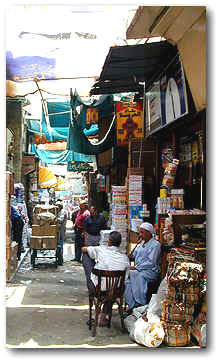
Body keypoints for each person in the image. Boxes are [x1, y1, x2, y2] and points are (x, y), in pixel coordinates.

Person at [82, 231, 130, 327]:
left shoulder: (101, 250)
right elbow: (125, 278)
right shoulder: (125, 258)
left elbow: (83, 249)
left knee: (86, 256)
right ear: (120, 244)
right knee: (112, 286)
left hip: (98, 289)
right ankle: (102, 318)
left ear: (109, 242)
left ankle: (98, 314)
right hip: (116, 290)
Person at [125, 222, 161, 313]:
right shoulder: (141, 243)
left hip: (150, 271)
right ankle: (132, 305)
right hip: (139, 269)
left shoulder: (155, 245)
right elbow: (133, 255)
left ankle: (141, 302)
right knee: (128, 282)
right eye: (139, 232)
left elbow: (151, 262)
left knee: (137, 275)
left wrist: (136, 267)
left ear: (149, 233)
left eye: (142, 233)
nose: (140, 235)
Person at [82, 206, 108, 293]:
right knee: (89, 256)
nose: (92, 213)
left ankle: (99, 286)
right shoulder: (87, 219)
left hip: (98, 237)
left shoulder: (101, 218)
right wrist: (86, 241)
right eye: (91, 212)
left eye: (93, 212)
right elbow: (85, 231)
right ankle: (92, 287)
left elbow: (104, 230)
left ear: (96, 211)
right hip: (90, 237)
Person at [56, 201, 67, 265]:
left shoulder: (63, 212)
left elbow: (60, 220)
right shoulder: (56, 211)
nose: (57, 207)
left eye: (58, 206)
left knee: (60, 245)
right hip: (56, 230)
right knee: (57, 244)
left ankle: (60, 260)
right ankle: (58, 258)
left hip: (61, 230)